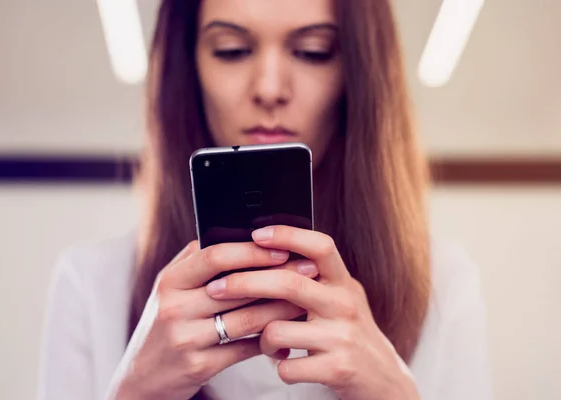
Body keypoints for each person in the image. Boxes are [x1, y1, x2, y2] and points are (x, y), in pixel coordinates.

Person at [38, 0, 493, 399]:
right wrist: (134, 394)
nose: (270, 88)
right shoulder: (90, 284)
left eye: (313, 52)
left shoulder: (443, 284)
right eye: (231, 50)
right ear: (189, 67)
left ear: (358, 72)